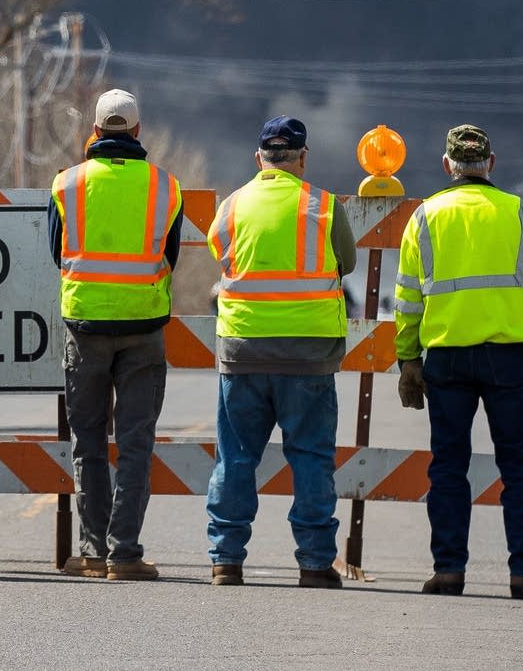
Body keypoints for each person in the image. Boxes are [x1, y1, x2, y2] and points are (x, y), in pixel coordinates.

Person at [394, 124, 523, 602]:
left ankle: (449, 571)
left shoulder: (425, 217)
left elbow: (407, 298)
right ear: (491, 163)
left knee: (448, 466)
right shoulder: (519, 213)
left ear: (448, 166)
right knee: (519, 467)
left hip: (446, 359)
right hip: (508, 360)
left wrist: (408, 358)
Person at [204, 116, 355, 589]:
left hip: (244, 349)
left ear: (259, 159)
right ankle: (314, 563)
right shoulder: (324, 206)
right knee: (311, 456)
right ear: (302, 158)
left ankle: (225, 561)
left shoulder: (231, 206)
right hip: (308, 353)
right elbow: (346, 262)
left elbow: (219, 254)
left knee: (235, 458)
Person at [48, 89, 183, 581]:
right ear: (139, 132)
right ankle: (124, 553)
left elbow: (56, 251)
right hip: (144, 326)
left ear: (96, 130)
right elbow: (170, 257)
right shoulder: (166, 186)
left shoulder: (66, 184)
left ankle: (91, 549)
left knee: (87, 440)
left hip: (85, 325)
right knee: (135, 441)